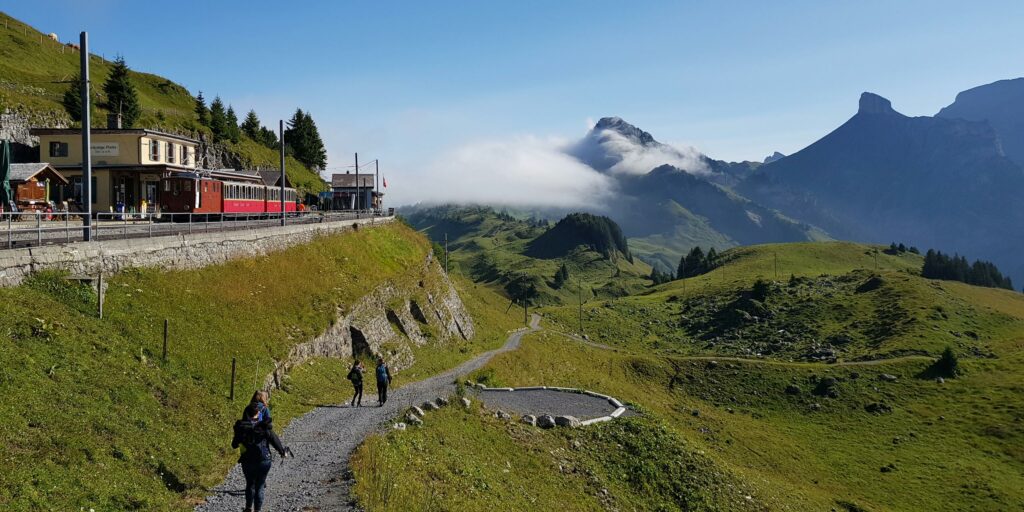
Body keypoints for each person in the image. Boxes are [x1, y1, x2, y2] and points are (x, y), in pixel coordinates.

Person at [232, 403, 290, 512]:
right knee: (260, 485)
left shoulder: (241, 426)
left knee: (250, 484)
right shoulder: (264, 426)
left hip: (248, 460)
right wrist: (282, 452)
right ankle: (257, 510)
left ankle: (248, 508)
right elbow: (275, 440)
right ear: (258, 413)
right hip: (264, 460)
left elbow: (234, 444)